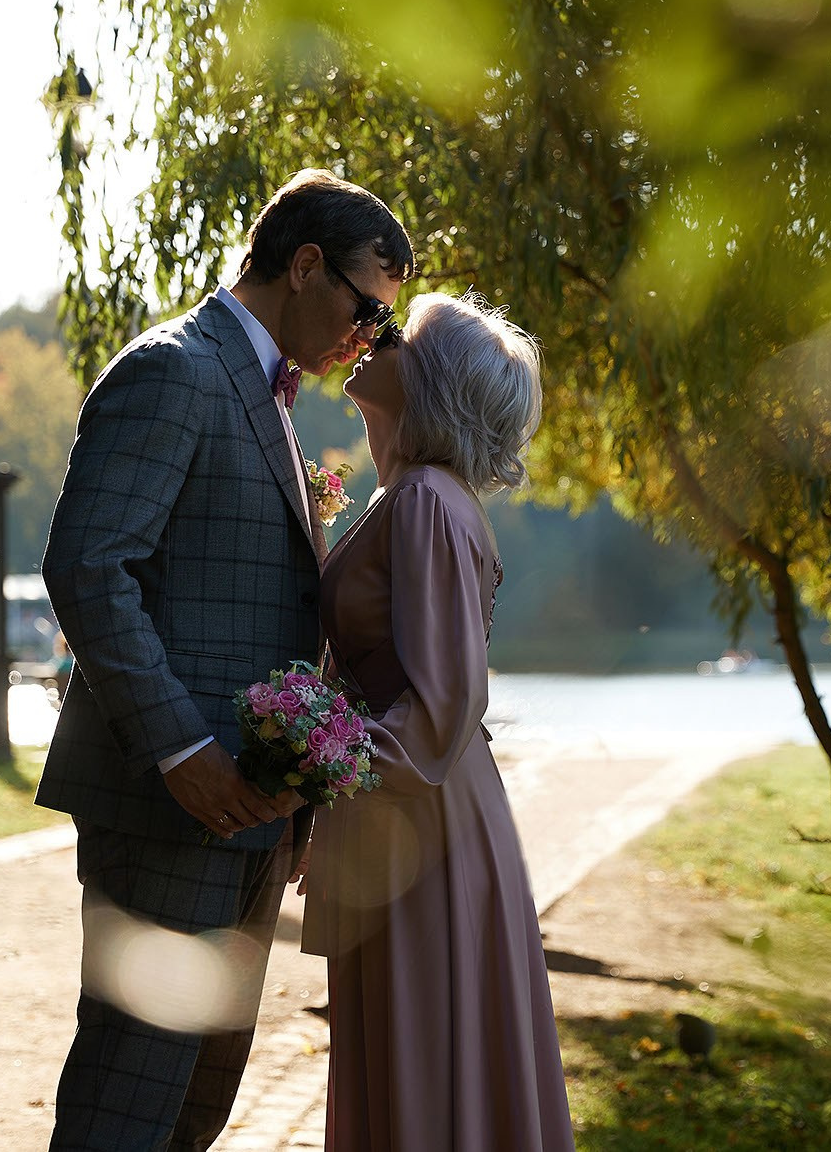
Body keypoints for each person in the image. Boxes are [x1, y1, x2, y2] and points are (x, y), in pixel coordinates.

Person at [37, 168, 413, 1150]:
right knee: (128, 1100)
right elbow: (89, 567)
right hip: (170, 806)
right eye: (368, 308)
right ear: (305, 265)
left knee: (195, 1106)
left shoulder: (266, 395)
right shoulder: (174, 370)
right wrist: (180, 749)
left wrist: (296, 804)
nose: (368, 336)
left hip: (249, 816)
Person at [299, 290, 575, 1150]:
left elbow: (442, 706)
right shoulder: (417, 495)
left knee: (420, 1064)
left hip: (421, 827)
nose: (374, 338)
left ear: (432, 383)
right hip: (416, 816)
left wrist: (314, 759)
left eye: (398, 335)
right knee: (412, 1065)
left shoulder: (424, 500)